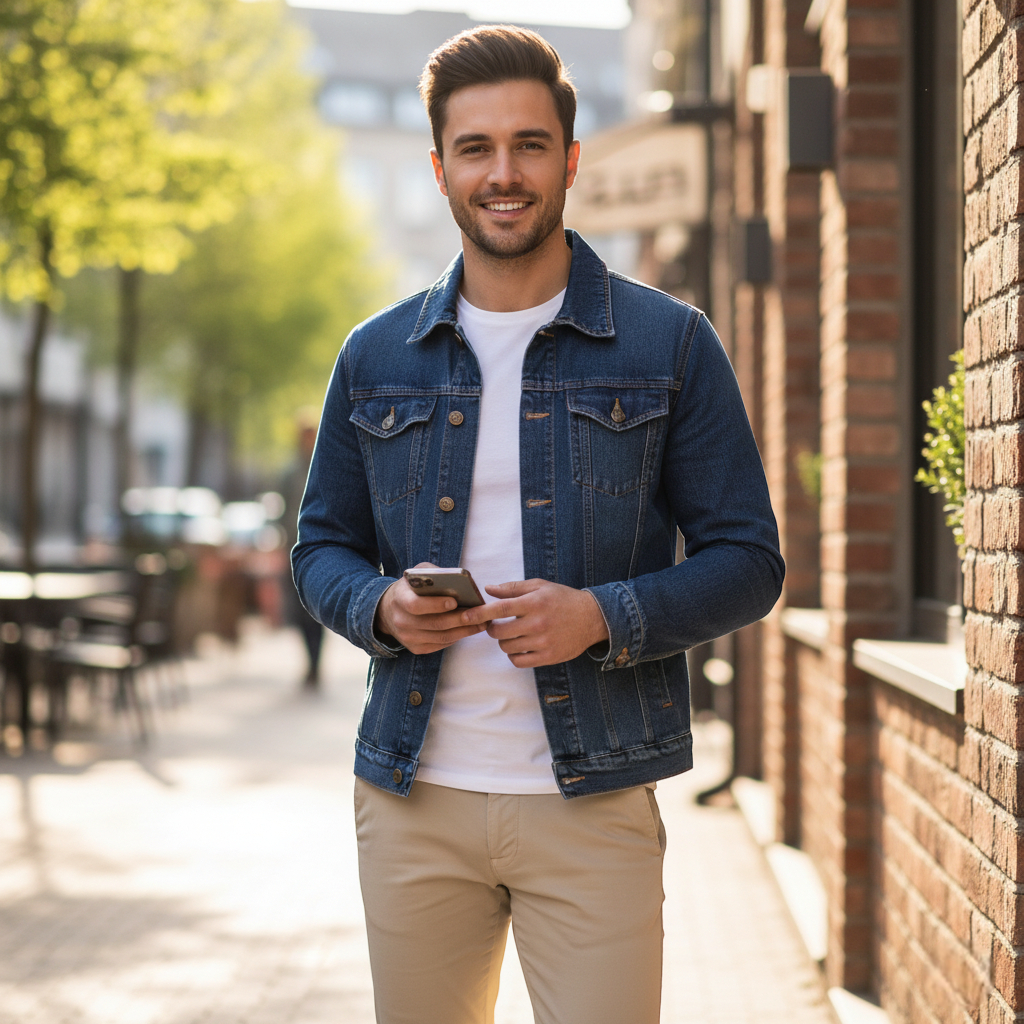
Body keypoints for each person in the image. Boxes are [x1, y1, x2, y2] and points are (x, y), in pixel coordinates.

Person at [292, 24, 784, 1024]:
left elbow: (749, 561)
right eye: (474, 148)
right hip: (411, 797)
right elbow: (316, 550)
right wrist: (381, 605)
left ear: (569, 159)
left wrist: (603, 617)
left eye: (526, 145)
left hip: (594, 798)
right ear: (439, 169)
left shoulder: (670, 341)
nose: (501, 172)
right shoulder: (375, 353)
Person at [282, 413, 324, 688]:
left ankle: (315, 665)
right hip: (292, 547)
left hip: (319, 547)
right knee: (297, 611)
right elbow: (282, 511)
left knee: (316, 610)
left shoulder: (325, 466)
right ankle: (308, 660)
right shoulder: (289, 473)